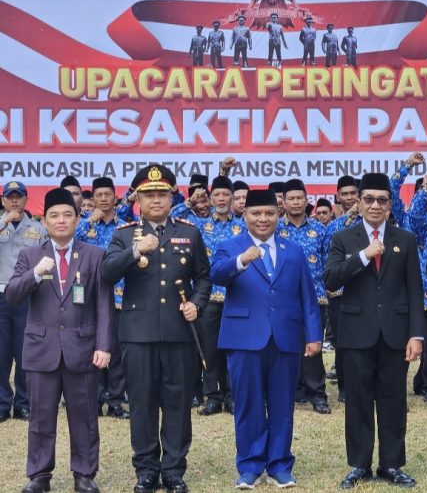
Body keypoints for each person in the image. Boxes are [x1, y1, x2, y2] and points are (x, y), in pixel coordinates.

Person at [101, 164, 211, 493]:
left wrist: (197, 303)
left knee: (178, 401)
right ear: (137, 199)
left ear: (172, 196)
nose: (156, 200)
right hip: (138, 334)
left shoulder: (189, 232)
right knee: (143, 403)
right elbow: (106, 273)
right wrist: (136, 250)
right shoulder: (124, 234)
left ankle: (174, 470)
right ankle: (146, 469)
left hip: (179, 332)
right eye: (149, 195)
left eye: (162, 194)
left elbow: (204, 277)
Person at [210, 188, 323, 489]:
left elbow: (308, 298)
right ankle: (249, 465)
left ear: (279, 215)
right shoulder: (229, 245)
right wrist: (242, 261)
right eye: (256, 213)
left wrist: (313, 336)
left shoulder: (294, 250)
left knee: (283, 406)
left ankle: (279, 465)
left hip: (285, 338)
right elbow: (217, 274)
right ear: (244, 215)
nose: (263, 219)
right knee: (247, 405)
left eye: (269, 213)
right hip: (244, 339)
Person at [6, 188, 113, 493]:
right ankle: (39, 475)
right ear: (44, 221)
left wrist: (104, 345)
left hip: (83, 348)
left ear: (78, 219)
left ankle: (84, 474)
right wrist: (36, 275)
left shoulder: (94, 255)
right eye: (54, 215)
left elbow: (103, 304)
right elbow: (13, 295)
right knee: (40, 417)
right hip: (42, 349)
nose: (61, 220)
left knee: (85, 417)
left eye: (68, 214)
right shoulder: (30, 255)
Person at [323, 173, 424, 489]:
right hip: (355, 333)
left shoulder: (404, 239)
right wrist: (365, 255)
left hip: (395, 334)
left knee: (394, 401)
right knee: (358, 401)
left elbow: (414, 290)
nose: (376, 205)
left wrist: (416, 334)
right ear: (358, 202)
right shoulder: (343, 239)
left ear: (390, 204)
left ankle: (391, 465)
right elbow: (330, 279)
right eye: (369, 199)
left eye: (382, 200)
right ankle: (359, 465)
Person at [172, 173, 245, 416]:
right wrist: (190, 201)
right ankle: (212, 396)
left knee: (235, 348)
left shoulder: (243, 224)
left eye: (226, 194)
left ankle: (232, 395)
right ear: (210, 198)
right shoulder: (200, 225)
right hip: (209, 297)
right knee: (210, 349)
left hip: (237, 296)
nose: (222, 199)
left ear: (233, 198)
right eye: (217, 195)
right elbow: (173, 217)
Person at [75, 177, 130, 420]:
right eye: (99, 195)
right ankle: (94, 400)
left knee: (116, 350)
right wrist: (91, 219)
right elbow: (67, 239)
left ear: (115, 198)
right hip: (90, 295)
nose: (104, 199)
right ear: (93, 199)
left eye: (108, 195)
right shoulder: (85, 225)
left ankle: (116, 401)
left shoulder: (126, 225)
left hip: (119, 294)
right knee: (92, 348)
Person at [279, 179, 331, 415]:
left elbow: (328, 262)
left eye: (300, 197)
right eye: (291, 198)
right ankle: (291, 391)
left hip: (315, 297)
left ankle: (317, 394)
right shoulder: (275, 229)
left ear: (306, 199)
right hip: (283, 297)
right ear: (284, 202)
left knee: (313, 346)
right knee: (286, 346)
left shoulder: (320, 229)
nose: (296, 202)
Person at [0, 181, 47, 423]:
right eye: (10, 197)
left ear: (27, 200)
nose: (14, 201)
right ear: (3, 200)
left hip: (27, 295)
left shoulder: (37, 229)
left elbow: (46, 258)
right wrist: (3, 222)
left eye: (19, 197)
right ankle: (1, 404)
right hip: (1, 295)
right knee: (1, 352)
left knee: (25, 351)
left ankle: (23, 404)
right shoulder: (0, 225)